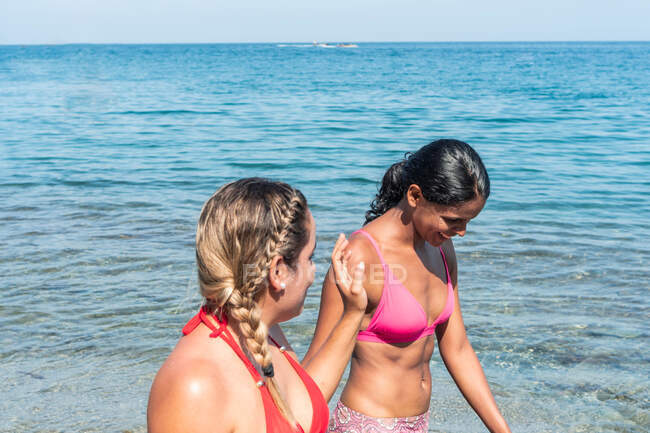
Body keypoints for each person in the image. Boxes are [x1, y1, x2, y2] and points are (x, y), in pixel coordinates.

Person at [305, 139, 512, 433]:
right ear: (415, 195)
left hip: (418, 424)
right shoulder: (361, 257)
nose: (462, 232)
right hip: (367, 425)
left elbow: (458, 349)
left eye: (468, 222)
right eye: (454, 220)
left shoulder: (442, 249)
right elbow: (318, 364)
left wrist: (502, 429)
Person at [148, 178, 368, 433]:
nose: (313, 272)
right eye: (310, 258)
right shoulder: (195, 387)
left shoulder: (264, 329)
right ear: (277, 271)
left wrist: (353, 313)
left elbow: (303, 404)